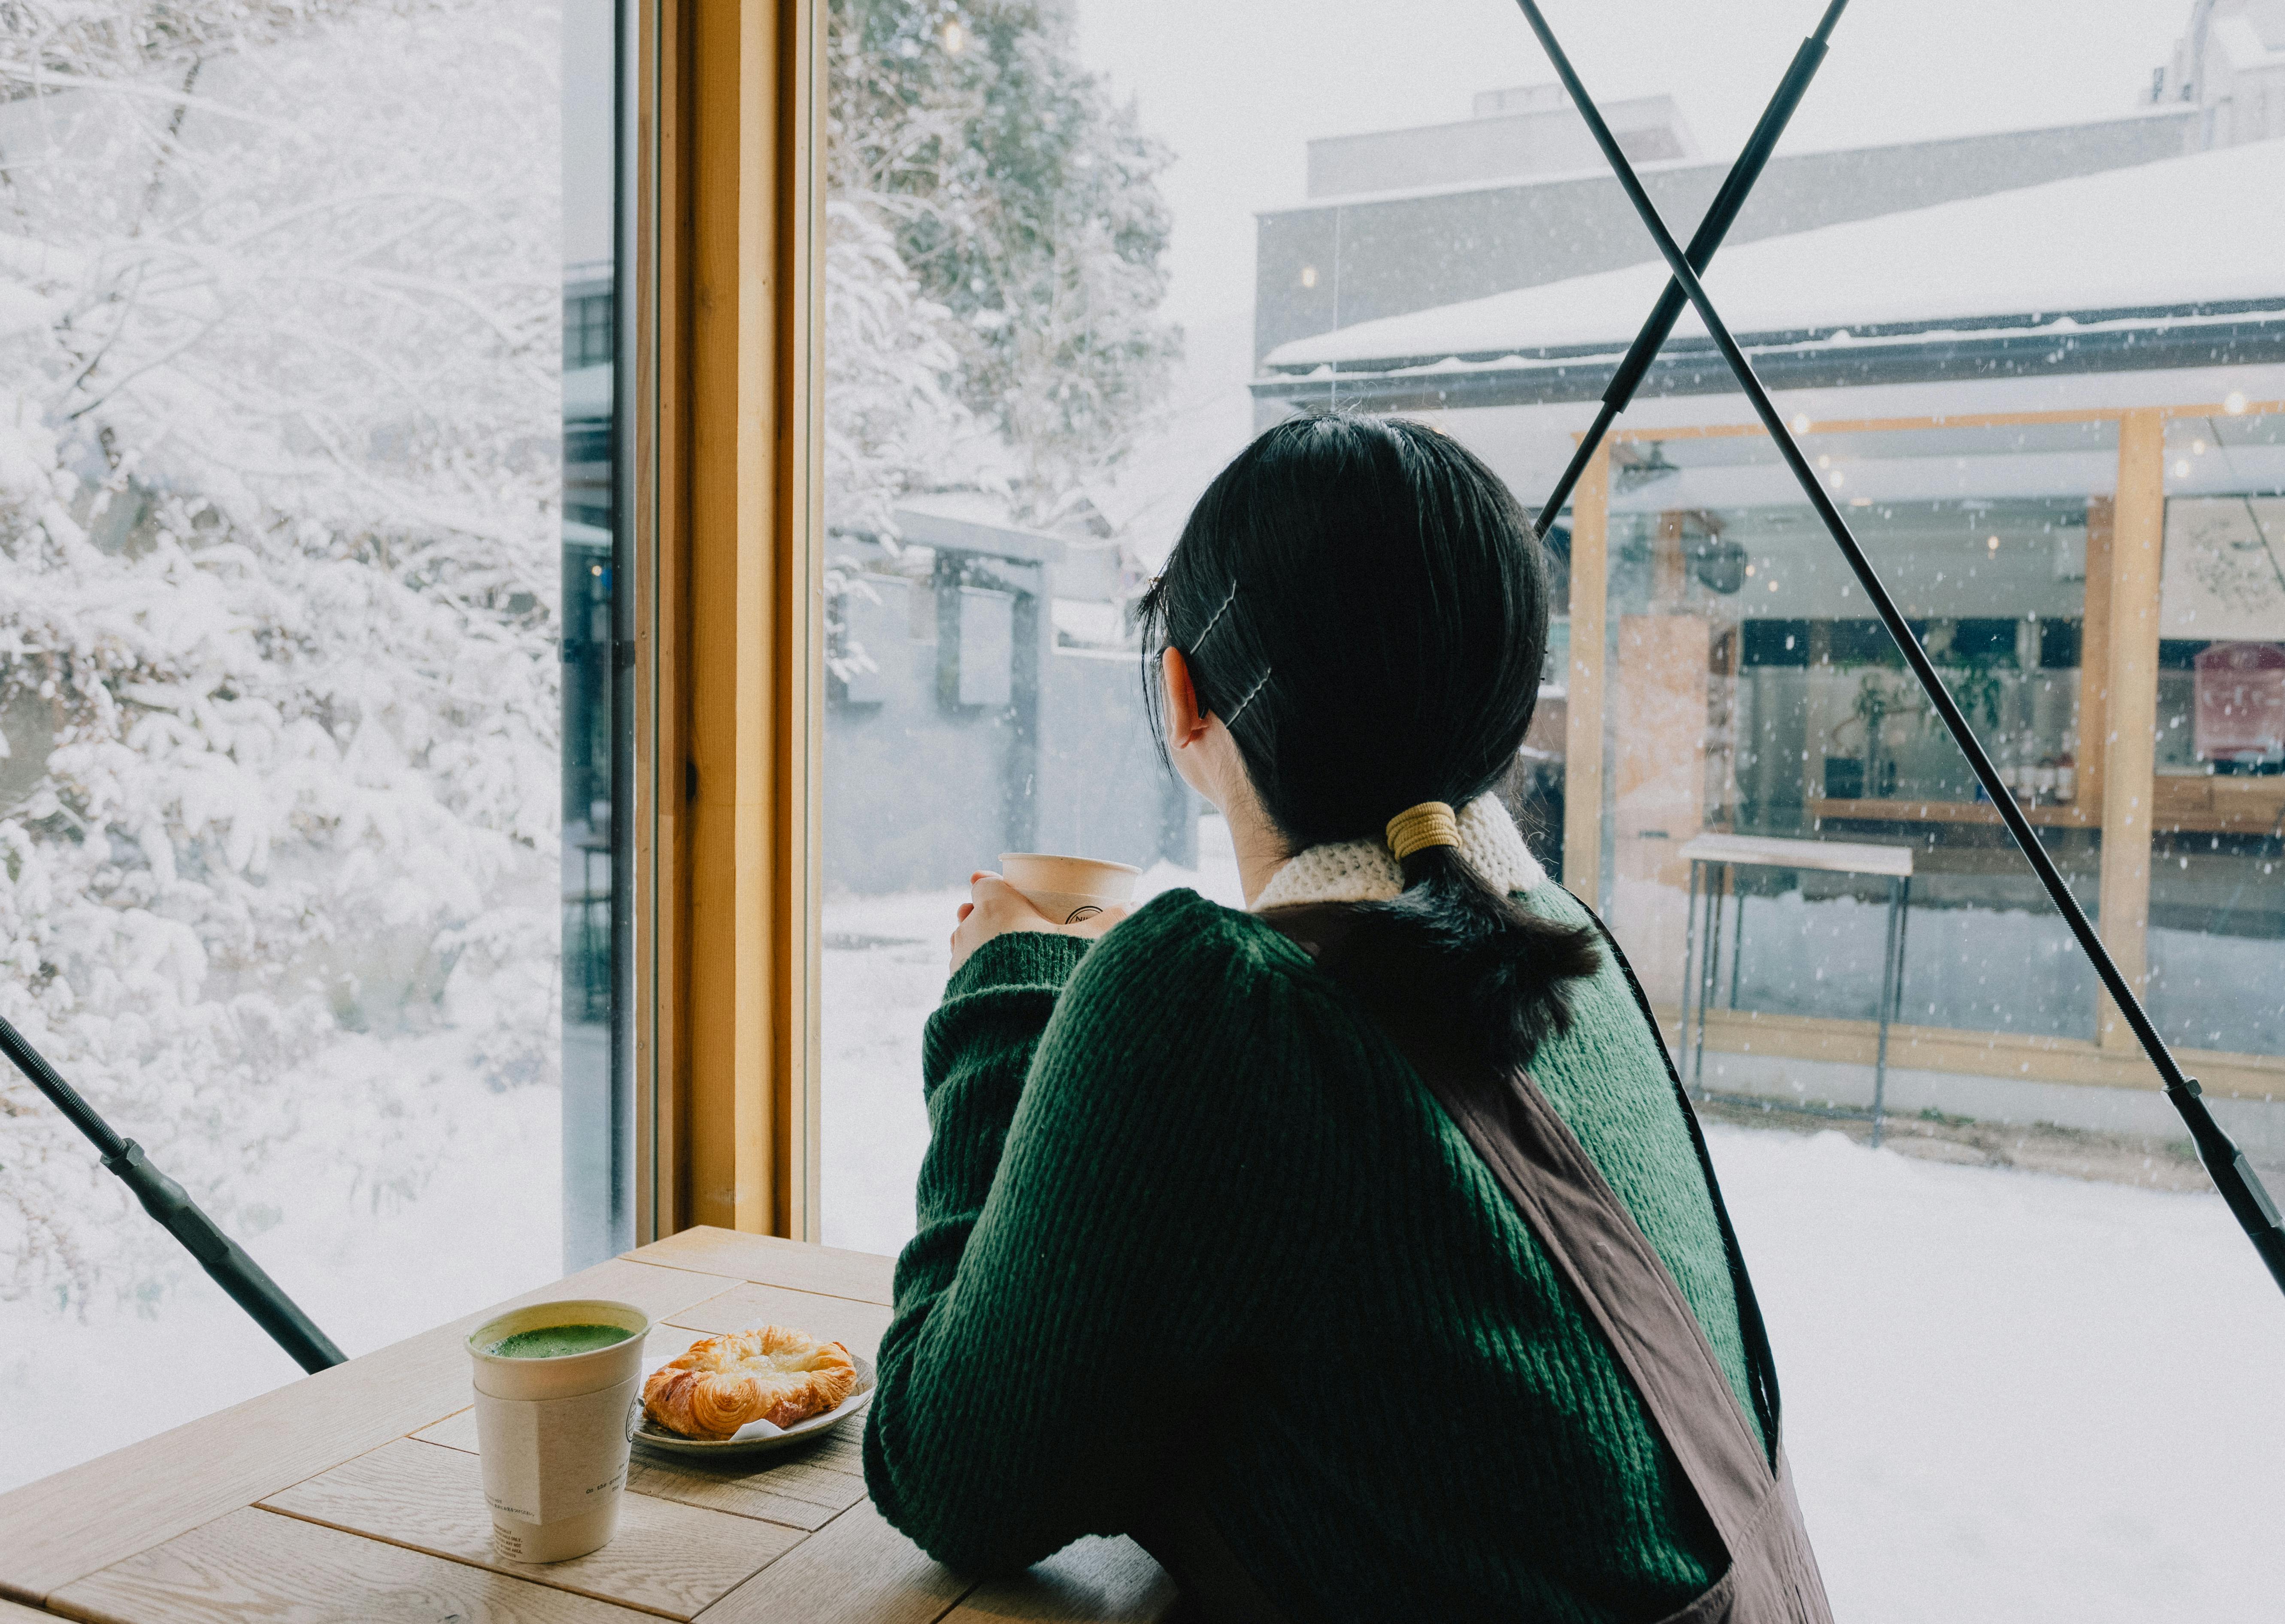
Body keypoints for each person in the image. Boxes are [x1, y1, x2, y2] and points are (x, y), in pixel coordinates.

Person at [862, 412, 1829, 1622]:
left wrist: (1009, 999)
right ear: (1504, 698)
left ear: (1183, 697)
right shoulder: (1562, 946)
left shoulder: (1218, 1005)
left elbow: (948, 1476)